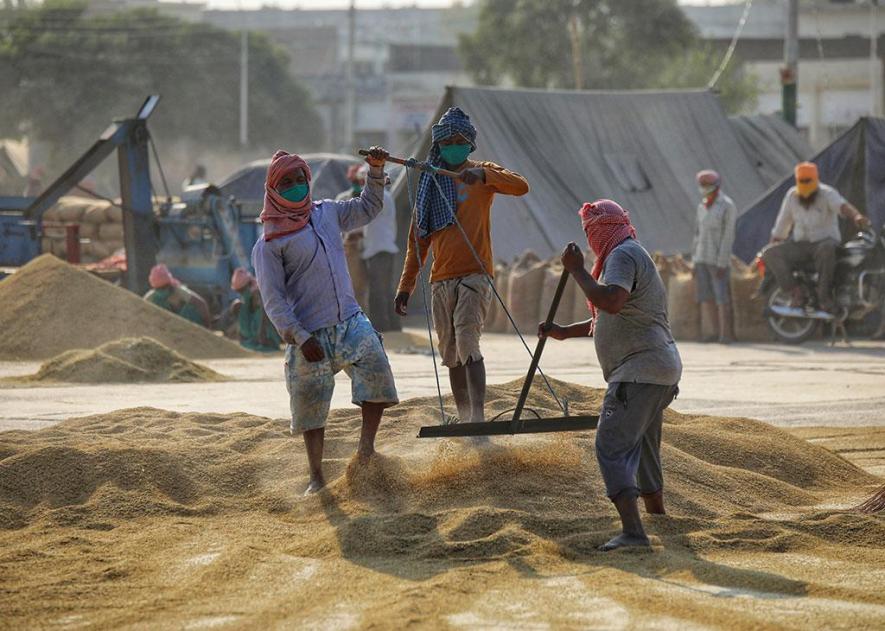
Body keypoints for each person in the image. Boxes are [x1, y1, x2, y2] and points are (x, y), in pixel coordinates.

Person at [252, 147, 398, 495]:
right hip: (309, 336)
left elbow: (368, 207)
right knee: (310, 406)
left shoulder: (328, 213)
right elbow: (274, 301)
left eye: (300, 178)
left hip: (350, 321)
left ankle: (366, 451)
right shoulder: (270, 243)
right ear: (273, 188)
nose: (296, 185)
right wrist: (300, 338)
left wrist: (375, 171)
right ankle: (317, 476)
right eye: (286, 182)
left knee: (377, 373)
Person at [538, 200, 682, 552]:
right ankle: (658, 517)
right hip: (658, 368)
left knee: (611, 445)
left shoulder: (621, 256)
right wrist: (563, 332)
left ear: (600, 230)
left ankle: (634, 533)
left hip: (638, 370)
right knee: (645, 447)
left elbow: (612, 302)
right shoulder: (629, 254)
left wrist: (576, 271)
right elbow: (609, 318)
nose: (589, 241)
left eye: (590, 232)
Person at [395, 107, 529, 424]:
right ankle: (464, 416)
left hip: (474, 276)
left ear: (469, 144)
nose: (453, 146)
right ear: (438, 145)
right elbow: (418, 242)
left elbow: (521, 186)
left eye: (459, 141)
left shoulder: (482, 174)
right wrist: (405, 286)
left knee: (468, 342)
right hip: (441, 280)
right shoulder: (431, 184)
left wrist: (482, 175)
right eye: (447, 142)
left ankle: (478, 418)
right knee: (451, 354)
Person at [762, 162, 870, 312]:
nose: (805, 185)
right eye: (802, 182)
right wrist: (773, 243)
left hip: (825, 243)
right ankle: (796, 292)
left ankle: (824, 297)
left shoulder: (827, 193)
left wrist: (856, 216)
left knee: (826, 248)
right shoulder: (792, 196)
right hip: (801, 245)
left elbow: (842, 206)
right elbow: (782, 225)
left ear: (816, 179)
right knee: (769, 253)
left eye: (808, 181)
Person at [691, 169, 736, 344]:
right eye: (701, 185)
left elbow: (728, 236)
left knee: (722, 299)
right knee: (706, 298)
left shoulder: (727, 205)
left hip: (717, 260)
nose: (703, 188)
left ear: (716, 186)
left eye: (706, 185)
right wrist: (694, 260)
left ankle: (726, 334)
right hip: (701, 257)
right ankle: (713, 332)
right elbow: (697, 234)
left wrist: (722, 262)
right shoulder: (701, 206)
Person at [362, 168, 400, 332]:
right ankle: (393, 325)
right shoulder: (386, 196)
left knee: (378, 291)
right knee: (386, 290)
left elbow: (364, 216)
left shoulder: (380, 196)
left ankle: (381, 327)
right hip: (383, 246)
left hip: (379, 248)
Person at [337, 164, 370, 308]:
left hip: (370, 247)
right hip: (351, 248)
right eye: (356, 182)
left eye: (360, 182)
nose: (358, 185)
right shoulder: (342, 199)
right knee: (353, 287)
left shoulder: (371, 199)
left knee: (369, 288)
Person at [229, 267, 282, 352]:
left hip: (266, 328)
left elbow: (264, 313)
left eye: (241, 290)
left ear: (247, 285)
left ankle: (267, 341)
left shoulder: (257, 293)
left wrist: (262, 333)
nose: (241, 293)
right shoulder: (246, 297)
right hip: (253, 329)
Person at [144, 264, 211, 327]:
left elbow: (201, 303)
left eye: (165, 287)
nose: (163, 291)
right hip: (162, 327)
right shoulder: (150, 297)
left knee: (189, 309)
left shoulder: (179, 291)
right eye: (160, 289)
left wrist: (207, 325)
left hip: (184, 325)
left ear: (170, 284)